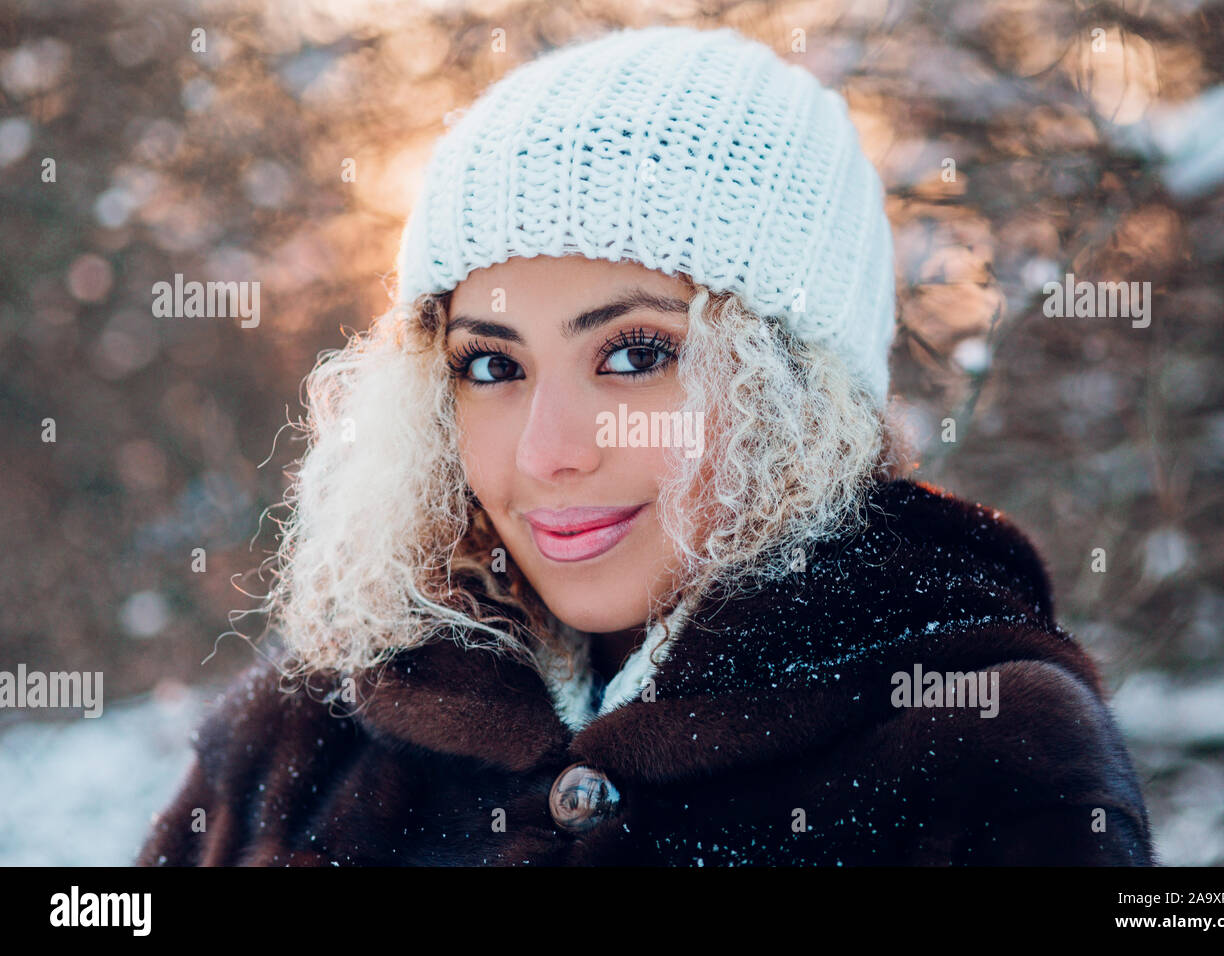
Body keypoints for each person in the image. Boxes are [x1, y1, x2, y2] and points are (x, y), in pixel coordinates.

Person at [137, 24, 1155, 866]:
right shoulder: (302, 734)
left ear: (795, 391)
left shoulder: (979, 741)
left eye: (634, 354)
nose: (549, 452)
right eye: (491, 365)